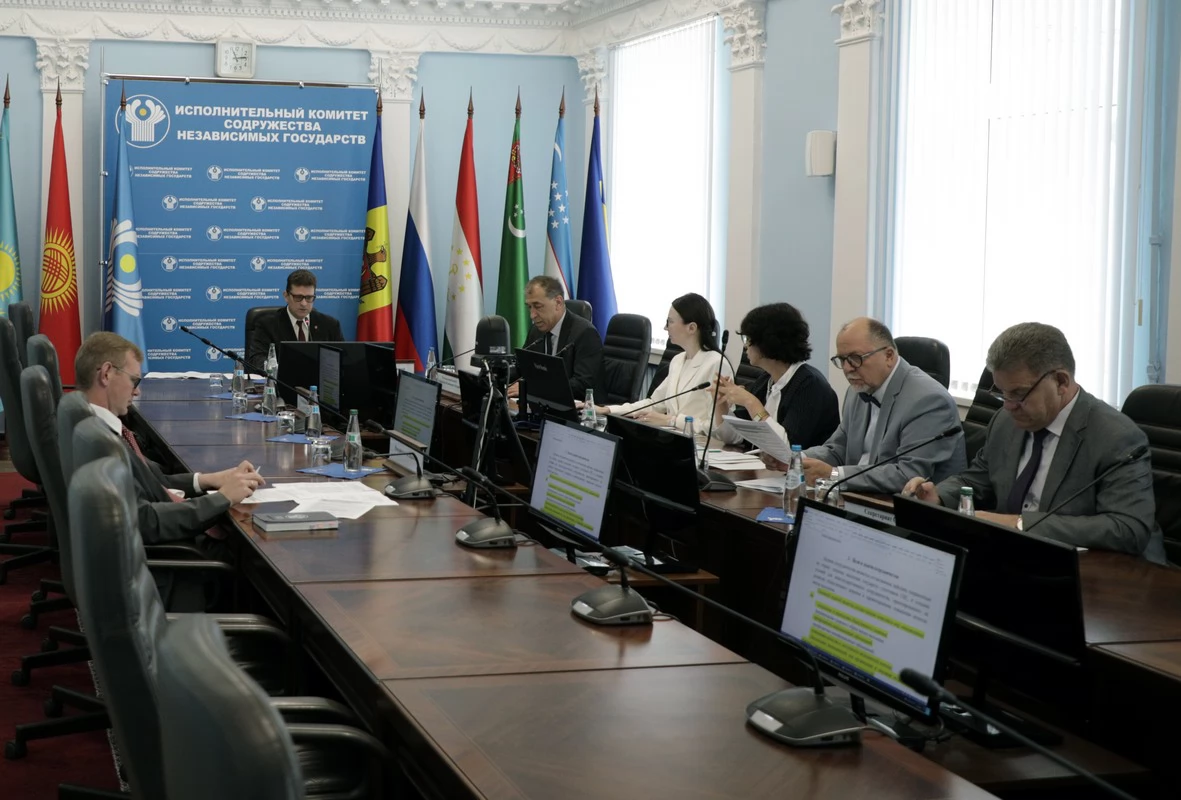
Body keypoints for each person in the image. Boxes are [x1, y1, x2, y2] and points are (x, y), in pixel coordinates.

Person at [902, 323, 1167, 563]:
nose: (1008, 406)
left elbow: (1127, 528)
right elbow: (978, 479)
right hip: (1015, 558)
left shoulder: (1116, 436)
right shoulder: (1005, 422)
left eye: (1019, 394)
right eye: (1002, 393)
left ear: (1061, 381)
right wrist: (939, 495)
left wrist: (1018, 524)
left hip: (1098, 571)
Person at [77, 332, 264, 552]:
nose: (137, 391)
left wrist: (210, 480)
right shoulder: (100, 442)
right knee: (255, 545)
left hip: (167, 538)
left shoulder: (93, 425)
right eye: (134, 380)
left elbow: (155, 483)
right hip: (172, 553)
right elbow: (147, 521)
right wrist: (224, 498)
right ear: (107, 374)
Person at [793, 317, 966, 492]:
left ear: (888, 356)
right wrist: (796, 459)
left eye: (855, 358)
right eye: (842, 359)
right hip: (859, 497)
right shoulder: (856, 390)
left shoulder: (929, 400)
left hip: (903, 504)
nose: (847, 368)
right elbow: (838, 449)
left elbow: (907, 475)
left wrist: (834, 475)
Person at [591, 293, 731, 429]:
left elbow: (719, 428)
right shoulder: (678, 360)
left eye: (670, 321)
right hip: (672, 439)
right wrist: (608, 410)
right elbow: (654, 403)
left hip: (701, 443)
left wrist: (672, 421)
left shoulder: (716, 364)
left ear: (691, 328)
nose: (665, 327)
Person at [713, 303, 839, 450]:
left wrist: (750, 402)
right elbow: (737, 437)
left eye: (748, 339)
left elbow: (787, 449)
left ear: (768, 341)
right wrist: (720, 404)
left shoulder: (810, 385)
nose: (745, 346)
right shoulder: (765, 380)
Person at [509, 275, 604, 401]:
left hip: (582, 408)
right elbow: (521, 368)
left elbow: (582, 385)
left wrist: (533, 388)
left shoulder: (585, 333)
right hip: (545, 405)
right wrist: (496, 375)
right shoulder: (536, 331)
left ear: (558, 302)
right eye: (529, 307)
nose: (532, 315)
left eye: (537, 306)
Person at [245, 269, 344, 368]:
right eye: (298, 297)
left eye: (309, 298)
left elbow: (342, 360)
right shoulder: (267, 324)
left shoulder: (330, 325)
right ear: (286, 296)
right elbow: (256, 361)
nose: (304, 303)